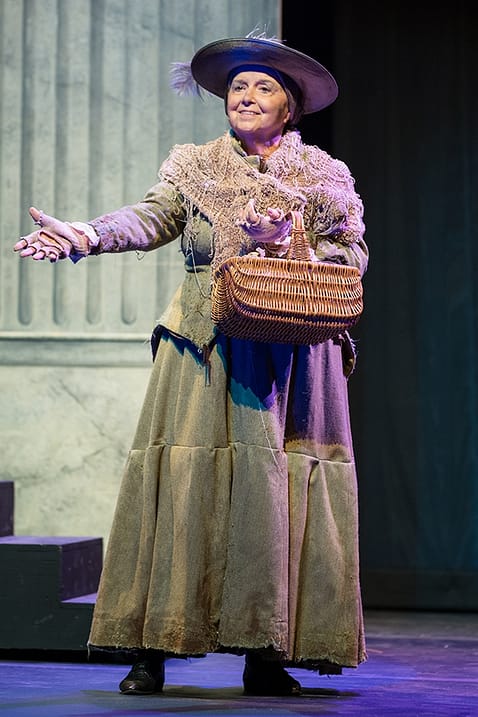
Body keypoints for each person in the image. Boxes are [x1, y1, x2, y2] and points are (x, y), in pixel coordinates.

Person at [14, 34, 368, 697]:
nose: (245, 96)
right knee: (181, 486)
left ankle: (267, 651)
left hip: (290, 359)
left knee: (272, 499)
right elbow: (151, 217)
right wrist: (86, 235)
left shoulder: (323, 176)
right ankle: (150, 648)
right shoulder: (195, 167)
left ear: (289, 107)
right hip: (205, 345)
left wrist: (287, 242)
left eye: (263, 87)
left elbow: (352, 260)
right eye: (237, 87)